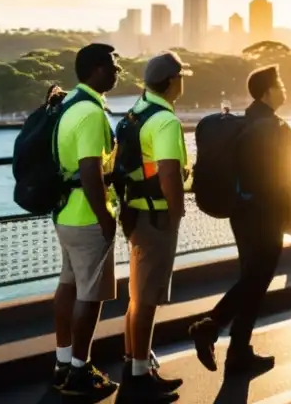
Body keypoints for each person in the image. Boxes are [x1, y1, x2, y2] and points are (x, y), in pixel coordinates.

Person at [188, 65, 291, 375]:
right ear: (269, 91)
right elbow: (289, 177)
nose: (284, 90)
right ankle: (211, 325)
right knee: (257, 279)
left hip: (240, 213)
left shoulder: (243, 124)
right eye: (280, 84)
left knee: (252, 280)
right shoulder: (275, 127)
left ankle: (239, 351)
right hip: (266, 214)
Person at [117, 52, 191, 403]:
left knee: (137, 296)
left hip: (134, 212)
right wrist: (176, 213)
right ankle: (139, 380)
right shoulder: (165, 122)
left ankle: (136, 365)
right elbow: (169, 174)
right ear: (172, 81)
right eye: (182, 77)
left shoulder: (136, 112)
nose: (183, 82)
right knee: (147, 300)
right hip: (155, 217)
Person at [52, 43, 122, 397]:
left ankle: (63, 362)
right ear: (95, 69)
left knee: (67, 286)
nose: (117, 72)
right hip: (87, 216)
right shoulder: (93, 114)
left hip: (65, 213)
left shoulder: (69, 105)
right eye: (112, 66)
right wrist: (106, 217)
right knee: (89, 295)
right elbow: (91, 171)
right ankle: (80, 370)